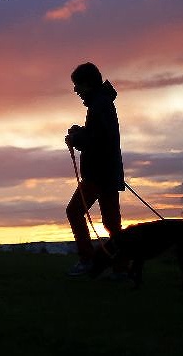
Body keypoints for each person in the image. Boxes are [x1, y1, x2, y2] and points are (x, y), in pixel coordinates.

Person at [64, 62, 125, 276]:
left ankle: (88, 260)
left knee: (74, 211)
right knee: (111, 223)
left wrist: (75, 137)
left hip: (98, 175)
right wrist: (81, 132)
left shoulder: (99, 105)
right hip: (108, 174)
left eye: (77, 85)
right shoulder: (102, 103)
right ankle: (120, 266)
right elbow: (99, 135)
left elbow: (97, 140)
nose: (76, 90)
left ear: (87, 84)